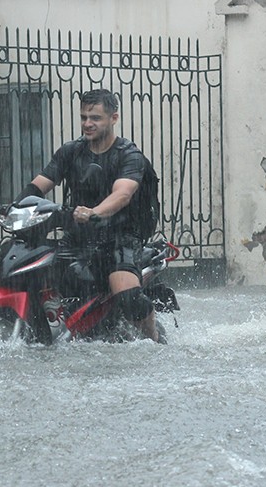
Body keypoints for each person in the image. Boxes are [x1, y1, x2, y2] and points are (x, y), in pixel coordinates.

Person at [15, 89, 160, 342]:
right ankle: (49, 327)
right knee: (33, 268)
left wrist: (95, 213)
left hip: (121, 237)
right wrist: (15, 208)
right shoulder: (71, 151)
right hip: (79, 234)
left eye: (95, 118)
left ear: (114, 118)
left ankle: (156, 340)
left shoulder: (129, 155)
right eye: (83, 117)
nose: (87, 124)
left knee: (128, 298)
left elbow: (122, 194)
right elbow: (39, 185)